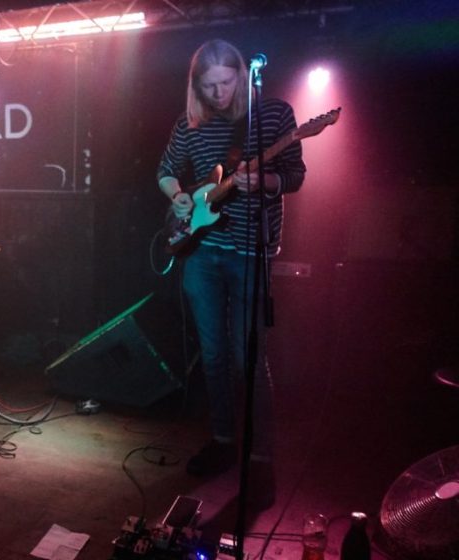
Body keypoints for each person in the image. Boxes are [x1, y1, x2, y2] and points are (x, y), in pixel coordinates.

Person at [156, 39, 306, 506]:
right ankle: (223, 441)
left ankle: (261, 459)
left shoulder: (275, 115)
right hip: (201, 250)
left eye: (226, 82)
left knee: (249, 360)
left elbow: (296, 176)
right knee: (214, 355)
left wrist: (265, 180)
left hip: (249, 253)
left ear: (242, 75)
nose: (219, 93)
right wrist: (178, 196)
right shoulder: (191, 123)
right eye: (209, 85)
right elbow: (165, 171)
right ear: (196, 85)